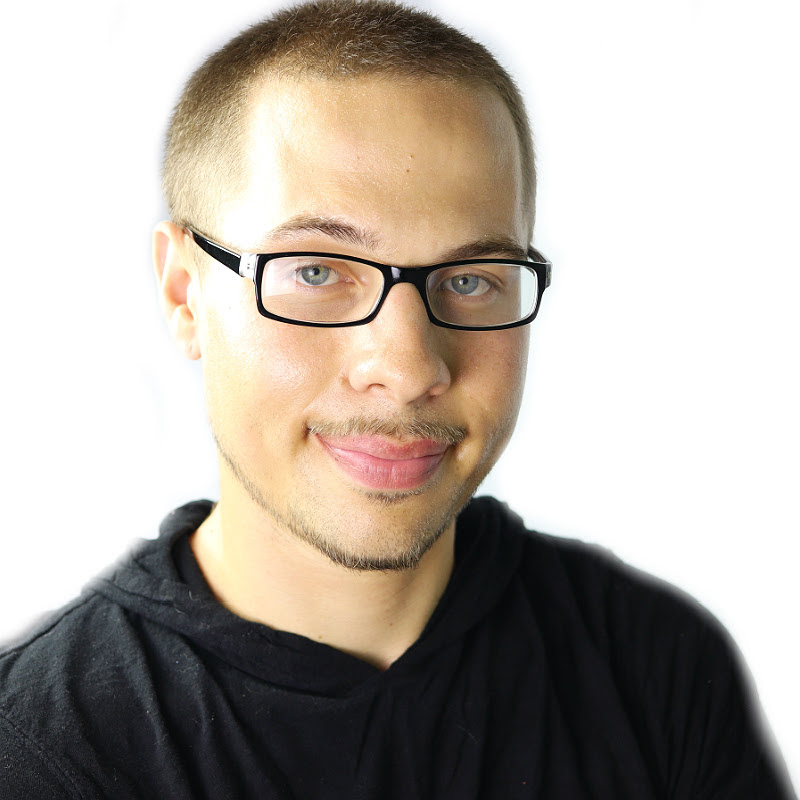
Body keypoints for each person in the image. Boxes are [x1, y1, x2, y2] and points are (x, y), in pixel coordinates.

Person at [0, 1, 795, 797]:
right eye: (316, 271)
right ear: (185, 293)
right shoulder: (38, 751)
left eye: (471, 280)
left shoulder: (655, 669)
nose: (410, 368)